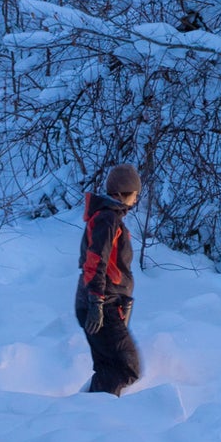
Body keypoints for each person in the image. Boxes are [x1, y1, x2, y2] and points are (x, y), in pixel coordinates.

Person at [76, 163, 143, 395]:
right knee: (126, 368)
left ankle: (89, 416)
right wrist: (96, 302)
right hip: (102, 304)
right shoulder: (107, 218)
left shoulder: (109, 217)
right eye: (135, 193)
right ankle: (95, 416)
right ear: (124, 191)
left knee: (109, 367)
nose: (136, 198)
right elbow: (95, 260)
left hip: (106, 303)